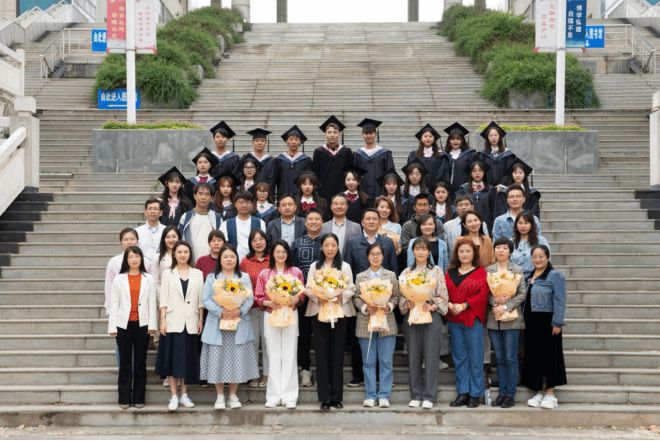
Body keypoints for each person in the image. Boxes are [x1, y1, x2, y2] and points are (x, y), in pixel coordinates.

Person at [344, 209, 398, 387]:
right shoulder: (353, 242)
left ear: (380, 222)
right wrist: (358, 297)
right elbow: (348, 268)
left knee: (382, 340)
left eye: (375, 218)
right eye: (368, 218)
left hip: (384, 299)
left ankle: (381, 380)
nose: (372, 221)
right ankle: (358, 376)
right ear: (362, 221)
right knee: (360, 338)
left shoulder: (387, 242)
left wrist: (388, 297)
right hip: (361, 297)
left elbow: (393, 267)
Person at [200, 244, 258, 410]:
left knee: (236, 359)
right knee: (217, 358)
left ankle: (233, 395)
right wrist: (221, 311)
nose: (229, 260)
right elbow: (206, 299)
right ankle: (219, 396)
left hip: (238, 323)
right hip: (217, 324)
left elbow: (249, 298)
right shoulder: (212, 277)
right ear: (220, 259)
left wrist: (239, 310)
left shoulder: (243, 277)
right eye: (225, 257)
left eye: (232, 256)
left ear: (237, 259)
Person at [305, 233, 356, 409]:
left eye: (333, 245)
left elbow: (352, 288)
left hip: (339, 313)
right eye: (326, 245)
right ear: (321, 247)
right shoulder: (315, 266)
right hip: (319, 312)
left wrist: (340, 295)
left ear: (338, 246)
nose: (330, 248)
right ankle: (324, 398)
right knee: (321, 355)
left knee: (337, 355)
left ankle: (336, 397)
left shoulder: (345, 266)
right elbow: (308, 288)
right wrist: (317, 297)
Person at [254, 240, 307, 408]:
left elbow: (302, 294)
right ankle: (273, 396)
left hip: (290, 314)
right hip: (271, 315)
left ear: (288, 254)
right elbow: (258, 297)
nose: (281, 255)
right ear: (272, 254)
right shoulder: (265, 273)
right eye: (278, 251)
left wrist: (294, 300)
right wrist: (270, 303)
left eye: (284, 251)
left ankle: (289, 396)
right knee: (273, 354)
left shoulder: (295, 272)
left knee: (289, 354)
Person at [399, 237, 449, 409]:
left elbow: (443, 296)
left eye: (424, 249)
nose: (420, 252)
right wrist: (407, 304)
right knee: (413, 356)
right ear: (412, 252)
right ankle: (416, 394)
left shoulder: (436, 271)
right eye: (417, 249)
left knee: (431, 357)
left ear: (429, 252)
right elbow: (401, 298)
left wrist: (433, 305)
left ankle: (429, 395)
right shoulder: (406, 272)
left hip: (431, 316)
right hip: (412, 316)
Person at [155, 241, 204, 411]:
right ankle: (174, 396)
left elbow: (200, 301)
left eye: (186, 252)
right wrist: (162, 321)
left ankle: (184, 394)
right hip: (172, 321)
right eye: (179, 252)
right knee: (172, 360)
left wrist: (200, 319)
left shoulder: (197, 274)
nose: (183, 255)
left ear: (190, 254)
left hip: (191, 321)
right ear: (174, 254)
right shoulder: (168, 274)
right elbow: (163, 300)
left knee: (187, 359)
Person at [108, 246, 157, 409]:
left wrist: (152, 324)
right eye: (130, 257)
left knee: (140, 362)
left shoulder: (148, 278)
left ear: (141, 259)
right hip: (123, 325)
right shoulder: (119, 279)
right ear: (126, 260)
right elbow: (114, 304)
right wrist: (112, 326)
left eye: (137, 256)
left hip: (142, 324)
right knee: (125, 362)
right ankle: (124, 398)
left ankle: (139, 397)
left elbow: (152, 302)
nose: (134, 259)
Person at [354, 242, 401, 408]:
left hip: (386, 322)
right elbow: (356, 298)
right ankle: (370, 395)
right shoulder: (360, 277)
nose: (375, 257)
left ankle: (384, 395)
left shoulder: (391, 275)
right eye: (372, 254)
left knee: (386, 361)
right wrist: (366, 308)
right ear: (368, 257)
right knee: (368, 361)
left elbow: (396, 296)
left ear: (383, 256)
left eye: (378, 254)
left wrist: (390, 306)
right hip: (366, 323)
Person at [445, 238, 489, 409]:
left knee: (475, 357)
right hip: (454, 318)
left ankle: (475, 394)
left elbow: (483, 294)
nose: (464, 254)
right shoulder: (449, 272)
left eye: (468, 251)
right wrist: (449, 304)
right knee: (459, 357)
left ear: (474, 253)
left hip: (472, 318)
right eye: (461, 251)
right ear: (456, 254)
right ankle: (463, 392)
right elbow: (443, 292)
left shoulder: (480, 272)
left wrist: (464, 305)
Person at [522, 245, 567, 410]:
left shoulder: (554, 276)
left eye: (541, 256)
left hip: (547, 322)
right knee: (535, 357)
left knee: (550, 357)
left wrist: (557, 322)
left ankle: (550, 394)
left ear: (548, 258)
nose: (538, 259)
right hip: (531, 322)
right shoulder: (529, 276)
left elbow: (560, 299)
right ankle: (539, 392)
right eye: (534, 257)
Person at [486, 238, 526, 409]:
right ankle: (502, 392)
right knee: (500, 358)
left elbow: (522, 293)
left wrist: (506, 306)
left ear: (510, 251)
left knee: (510, 357)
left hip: (512, 319)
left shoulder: (517, 270)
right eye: (498, 247)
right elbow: (485, 294)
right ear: (494, 250)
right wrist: (495, 301)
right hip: (494, 319)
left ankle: (510, 394)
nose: (501, 250)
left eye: (505, 248)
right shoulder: (488, 270)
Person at [290, 208, 325, 387]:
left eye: (317, 219)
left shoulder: (328, 242)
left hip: (324, 298)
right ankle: (305, 370)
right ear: (305, 222)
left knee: (321, 336)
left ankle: (322, 371)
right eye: (310, 219)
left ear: (322, 222)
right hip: (302, 297)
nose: (313, 222)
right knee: (303, 335)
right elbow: (291, 271)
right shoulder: (296, 244)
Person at [239, 229, 270, 389]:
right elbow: (240, 284)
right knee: (252, 342)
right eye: (254, 240)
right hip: (251, 308)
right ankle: (253, 376)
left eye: (261, 239)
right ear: (250, 243)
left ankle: (266, 376)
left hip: (269, 308)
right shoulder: (245, 261)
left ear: (266, 240)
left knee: (267, 342)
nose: (258, 243)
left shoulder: (272, 259)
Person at [311, 115, 353, 205]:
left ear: (339, 133)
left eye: (335, 132)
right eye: (329, 132)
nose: (332, 135)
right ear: (325, 134)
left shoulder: (346, 151)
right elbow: (315, 173)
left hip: (342, 190)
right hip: (323, 191)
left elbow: (350, 172)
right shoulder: (319, 152)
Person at [178, 183, 223, 262]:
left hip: (212, 262)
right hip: (190, 261)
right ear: (194, 196)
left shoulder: (217, 218)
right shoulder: (186, 217)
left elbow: (222, 240)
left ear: (211, 197)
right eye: (200, 194)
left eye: (207, 194)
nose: (203, 197)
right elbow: (180, 238)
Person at [352, 118, 395, 200]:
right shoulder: (357, 155)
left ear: (375, 134)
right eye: (366, 133)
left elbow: (390, 175)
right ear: (362, 134)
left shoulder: (385, 153)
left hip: (381, 193)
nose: (369, 136)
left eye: (371, 133)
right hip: (362, 194)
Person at [220, 190, 266, 261]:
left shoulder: (260, 223)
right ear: (235, 204)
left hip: (255, 262)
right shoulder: (225, 224)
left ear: (252, 204)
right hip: (233, 262)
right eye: (241, 202)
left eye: (248, 203)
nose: (244, 205)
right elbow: (223, 246)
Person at [274, 125, 312, 200]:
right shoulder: (279, 160)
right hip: (283, 195)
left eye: (296, 139)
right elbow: (276, 180)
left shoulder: (305, 160)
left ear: (300, 142)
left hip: (301, 196)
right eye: (291, 139)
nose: (294, 142)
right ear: (286, 141)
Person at [455, 160, 496, 228]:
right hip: (467, 224)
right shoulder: (463, 189)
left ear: (484, 172)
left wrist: (493, 226)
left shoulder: (491, 190)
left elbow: (495, 210)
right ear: (470, 172)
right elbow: (458, 208)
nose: (477, 173)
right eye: (474, 171)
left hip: (487, 224)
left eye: (480, 171)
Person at [476, 121, 517, 189]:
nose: (493, 138)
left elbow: (510, 171)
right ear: (487, 138)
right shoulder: (482, 154)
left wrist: (502, 185)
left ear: (499, 136)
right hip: (486, 188)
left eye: (496, 135)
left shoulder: (507, 154)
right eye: (490, 135)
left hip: (503, 189)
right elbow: (479, 171)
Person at [407, 123, 449, 190]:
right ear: (421, 138)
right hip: (418, 188)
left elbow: (442, 173)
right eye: (425, 136)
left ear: (434, 138)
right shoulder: (414, 154)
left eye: (430, 136)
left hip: (435, 189)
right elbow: (410, 172)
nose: (428, 138)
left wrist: (435, 186)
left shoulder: (440, 155)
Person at [511, 211, 550, 278]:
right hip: (514, 279)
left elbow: (547, 262)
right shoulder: (511, 242)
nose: (523, 226)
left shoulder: (541, 241)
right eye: (520, 223)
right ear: (516, 224)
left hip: (535, 279)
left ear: (531, 224)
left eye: (526, 223)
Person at [441, 122, 476, 191]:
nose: (455, 141)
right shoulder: (444, 155)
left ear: (462, 140)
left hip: (465, 190)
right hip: (448, 191)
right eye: (452, 139)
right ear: (449, 141)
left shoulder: (470, 154)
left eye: (458, 139)